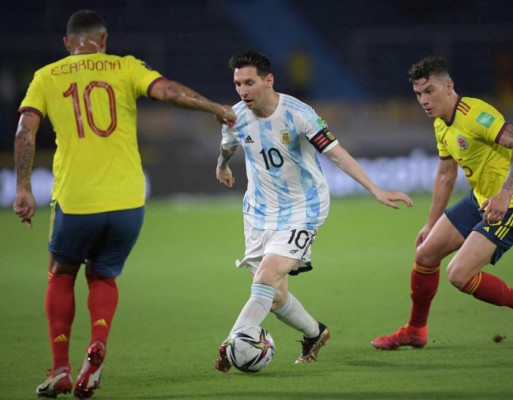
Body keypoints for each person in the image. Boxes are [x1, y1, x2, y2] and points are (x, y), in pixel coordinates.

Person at [13, 10, 236, 399]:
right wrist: (215, 107)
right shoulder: (125, 66)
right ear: (103, 40)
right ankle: (97, 345)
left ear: (68, 44)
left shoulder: (47, 76)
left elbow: (24, 131)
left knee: (61, 274)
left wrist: (22, 187)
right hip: (129, 200)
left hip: (77, 199)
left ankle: (61, 368)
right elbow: (168, 91)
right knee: (104, 276)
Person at [212, 50, 413, 373]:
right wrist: (222, 164)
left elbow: (336, 153)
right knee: (274, 296)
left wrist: (375, 188)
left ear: (268, 80)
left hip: (302, 208)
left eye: (249, 82)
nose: (242, 90)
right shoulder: (236, 116)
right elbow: (229, 142)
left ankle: (236, 338)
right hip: (259, 212)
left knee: (265, 277)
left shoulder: (298, 114)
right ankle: (315, 333)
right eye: (237, 83)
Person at [371, 56, 513, 351]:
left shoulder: (476, 114)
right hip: (480, 199)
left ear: (449, 86)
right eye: (418, 94)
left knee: (458, 274)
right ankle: (415, 331)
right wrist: (431, 223)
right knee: (426, 253)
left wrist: (504, 195)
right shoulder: (441, 123)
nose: (423, 100)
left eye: (429, 91)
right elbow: (445, 174)